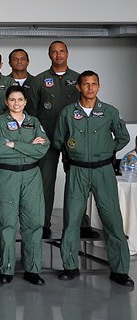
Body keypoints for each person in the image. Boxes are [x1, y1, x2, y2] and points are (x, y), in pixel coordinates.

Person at [52, 71, 133, 287]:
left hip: (103, 170)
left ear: (99, 86)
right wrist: (73, 154)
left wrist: (106, 150)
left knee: (112, 219)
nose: (90, 88)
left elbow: (123, 137)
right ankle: (70, 266)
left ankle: (120, 270)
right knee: (72, 220)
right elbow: (58, 140)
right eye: (86, 84)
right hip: (78, 170)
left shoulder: (109, 111)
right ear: (78, 87)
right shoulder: (68, 113)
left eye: (94, 84)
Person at [0, 85, 49, 285]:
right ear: (6, 102)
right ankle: (6, 268)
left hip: (31, 176)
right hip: (7, 176)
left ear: (25, 102)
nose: (16, 103)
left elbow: (43, 149)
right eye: (12, 99)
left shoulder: (34, 122)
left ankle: (32, 269)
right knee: (6, 224)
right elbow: (0, 150)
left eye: (20, 99)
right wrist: (29, 146)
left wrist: (14, 144)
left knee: (33, 223)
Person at [27, 41, 80, 237]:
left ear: (67, 53)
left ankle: (78, 222)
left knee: (78, 183)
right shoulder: (39, 80)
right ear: (49, 55)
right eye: (54, 52)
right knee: (45, 182)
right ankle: (43, 222)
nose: (58, 55)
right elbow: (31, 113)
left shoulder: (78, 79)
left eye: (61, 51)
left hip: (73, 139)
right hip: (47, 140)